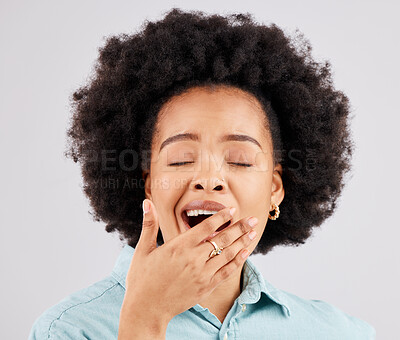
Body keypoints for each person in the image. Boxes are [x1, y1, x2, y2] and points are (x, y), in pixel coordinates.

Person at [29, 7, 376, 340]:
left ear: (275, 189)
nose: (209, 178)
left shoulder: (340, 334)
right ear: (148, 186)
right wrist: (145, 317)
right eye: (180, 159)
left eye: (240, 160)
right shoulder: (68, 331)